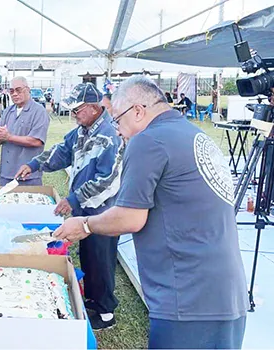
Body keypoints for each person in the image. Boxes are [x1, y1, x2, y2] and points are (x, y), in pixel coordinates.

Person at [54, 75, 248, 349]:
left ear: (137, 111)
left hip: (186, 298)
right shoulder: (195, 134)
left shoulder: (148, 140)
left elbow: (130, 217)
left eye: (117, 119)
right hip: (227, 293)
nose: (116, 129)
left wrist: (84, 224)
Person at [15, 82, 123, 330]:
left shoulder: (109, 136)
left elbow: (107, 181)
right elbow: (61, 152)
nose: (73, 114)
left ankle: (106, 313)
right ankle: (93, 301)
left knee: (101, 259)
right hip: (84, 210)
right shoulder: (82, 131)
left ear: (95, 107)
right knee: (88, 256)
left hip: (103, 211)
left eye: (77, 109)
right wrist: (34, 164)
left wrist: (73, 199)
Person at [0, 76, 50, 186]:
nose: (14, 94)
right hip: (6, 174)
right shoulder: (8, 111)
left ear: (28, 90)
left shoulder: (39, 111)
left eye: (18, 90)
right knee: (5, 202)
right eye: (11, 91)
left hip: (28, 175)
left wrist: (8, 137)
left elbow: (37, 141)